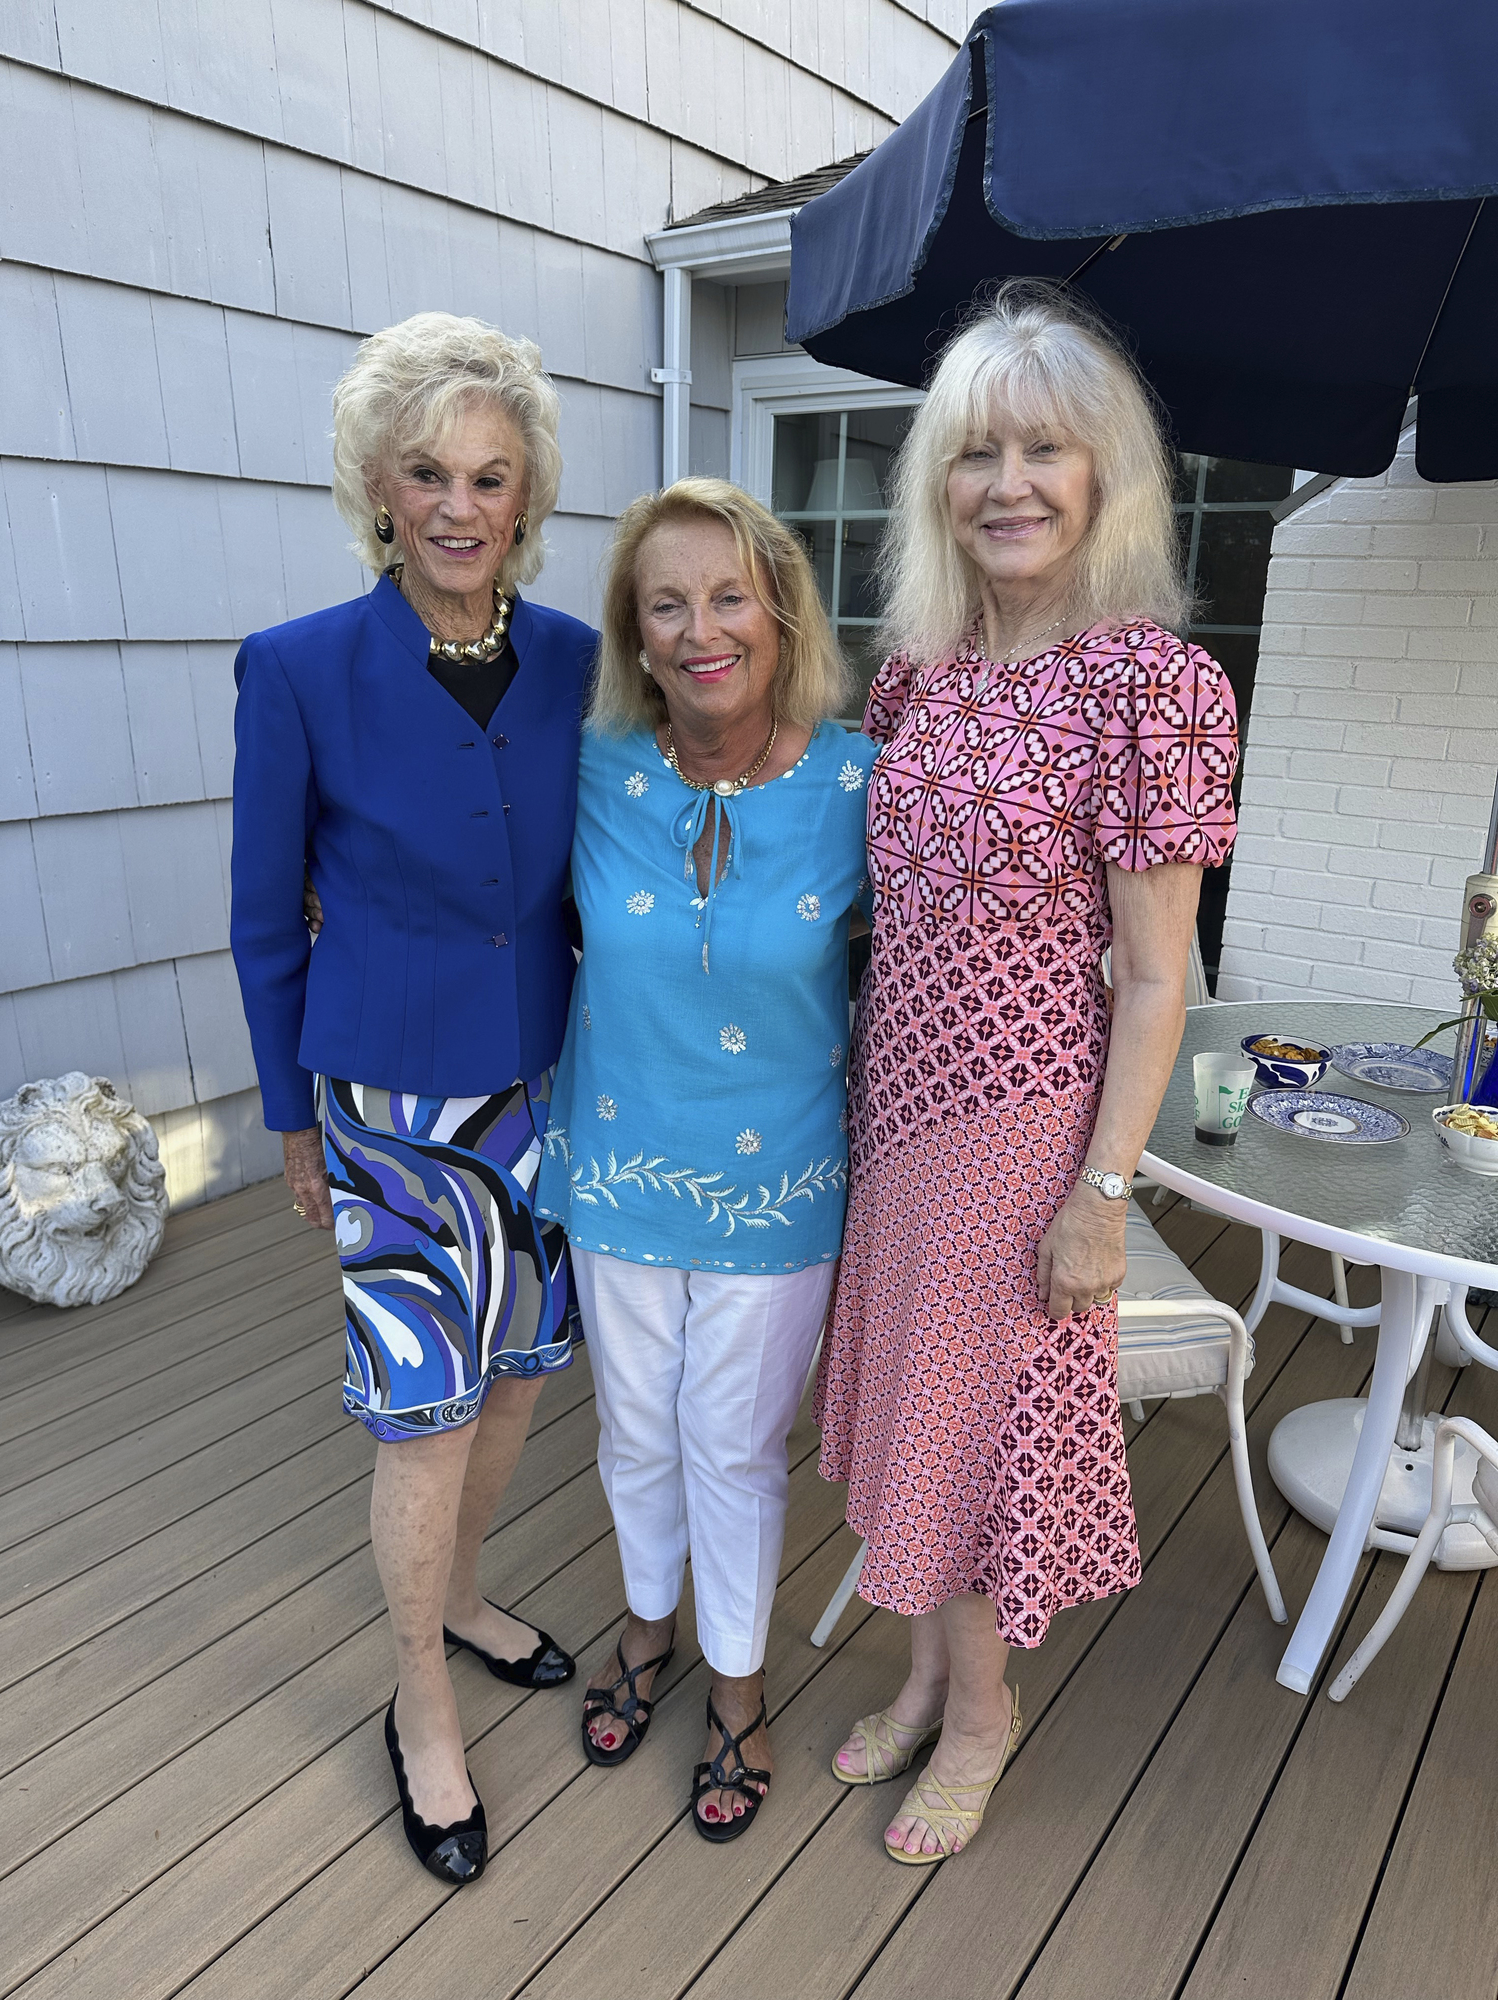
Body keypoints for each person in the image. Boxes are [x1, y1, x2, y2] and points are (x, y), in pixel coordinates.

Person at [816, 284, 1239, 1864]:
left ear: (1104, 475)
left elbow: (1154, 974)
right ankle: (930, 1678)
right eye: (977, 451)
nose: (1009, 483)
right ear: (940, 482)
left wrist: (1105, 1192)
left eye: (1046, 450)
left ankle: (987, 1719)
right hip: (898, 1111)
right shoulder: (921, 672)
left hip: (1026, 1127)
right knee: (912, 1419)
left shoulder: (1147, 689)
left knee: (979, 1434)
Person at [230, 313, 596, 1885]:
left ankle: (451, 1593)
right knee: (423, 1414)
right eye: (430, 474)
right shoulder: (300, 668)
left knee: (515, 1382)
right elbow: (261, 916)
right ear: (380, 489)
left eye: (492, 477)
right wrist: (294, 1122)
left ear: (526, 499)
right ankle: (420, 1696)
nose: (461, 506)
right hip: (386, 1105)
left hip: (552, 1087)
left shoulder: (584, 661)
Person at [533, 479, 874, 1842]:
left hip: (782, 1178)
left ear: (780, 609)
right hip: (617, 1165)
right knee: (632, 1429)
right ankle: (646, 1624)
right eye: (666, 604)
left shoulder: (860, 780)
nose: (700, 629)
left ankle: (738, 1687)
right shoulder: (593, 765)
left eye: (728, 595)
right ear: (636, 630)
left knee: (730, 1445)